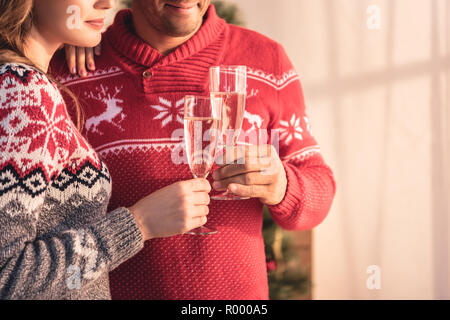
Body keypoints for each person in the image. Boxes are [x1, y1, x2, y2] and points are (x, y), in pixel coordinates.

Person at [50, 0, 337, 299]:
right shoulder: (69, 69)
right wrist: (70, 33)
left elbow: (320, 189)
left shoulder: (266, 60)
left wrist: (282, 185)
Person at [0, 0, 211, 300]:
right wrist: (138, 224)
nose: (106, 3)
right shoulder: (23, 93)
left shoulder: (18, 84)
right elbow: (7, 279)